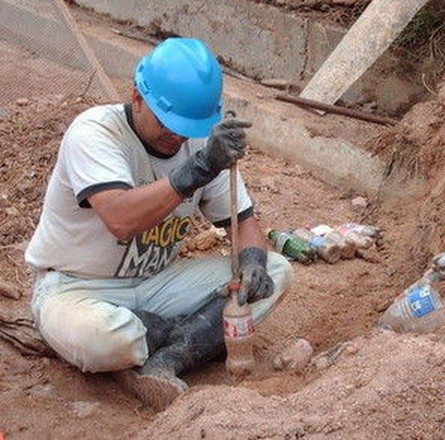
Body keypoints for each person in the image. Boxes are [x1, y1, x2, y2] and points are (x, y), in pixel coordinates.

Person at [24, 38, 293, 410]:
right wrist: (196, 170)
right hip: (77, 286)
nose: (179, 135)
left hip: (156, 284)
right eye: (170, 123)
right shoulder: (95, 132)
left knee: (275, 270)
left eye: (189, 126)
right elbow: (120, 219)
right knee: (102, 338)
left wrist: (252, 263)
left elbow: (244, 222)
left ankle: (169, 358)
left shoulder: (200, 143)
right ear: (137, 96)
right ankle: (189, 335)